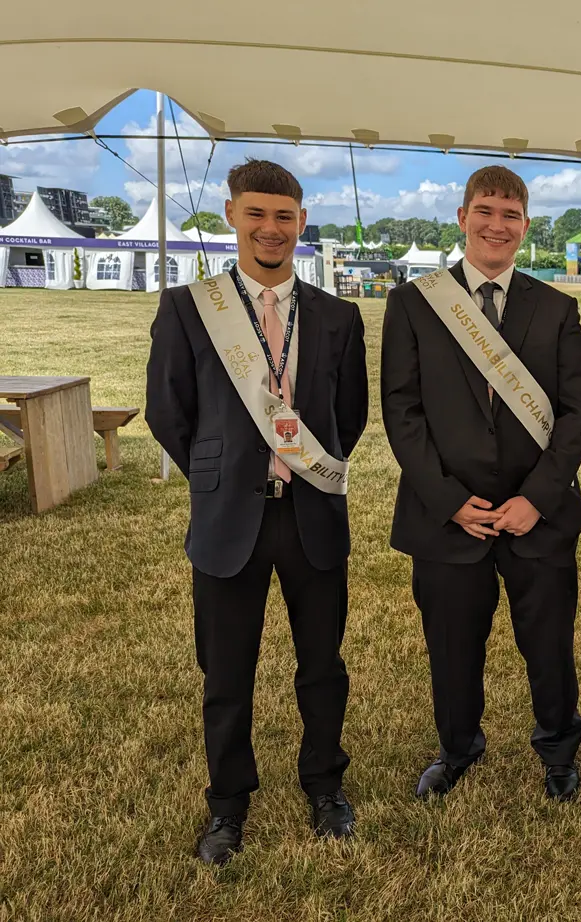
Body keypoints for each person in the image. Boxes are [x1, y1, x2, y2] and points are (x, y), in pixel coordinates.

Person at [146, 159, 368, 865]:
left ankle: (324, 785)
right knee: (227, 674)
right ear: (232, 216)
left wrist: (302, 466)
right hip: (227, 522)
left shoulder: (337, 316)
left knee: (323, 667)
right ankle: (228, 804)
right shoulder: (189, 308)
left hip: (312, 516)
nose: (270, 229)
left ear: (302, 223)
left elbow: (349, 415)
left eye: (284, 216)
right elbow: (168, 411)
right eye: (257, 214)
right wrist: (220, 475)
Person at [382, 166, 581, 802]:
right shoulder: (415, 303)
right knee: (450, 646)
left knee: (550, 645)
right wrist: (449, 502)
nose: (497, 225)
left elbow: (576, 412)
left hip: (539, 516)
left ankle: (558, 749)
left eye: (510, 215)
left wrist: (538, 498)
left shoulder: (556, 308)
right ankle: (457, 747)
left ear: (525, 227)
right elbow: (403, 410)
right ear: (462, 218)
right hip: (449, 516)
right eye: (485, 211)